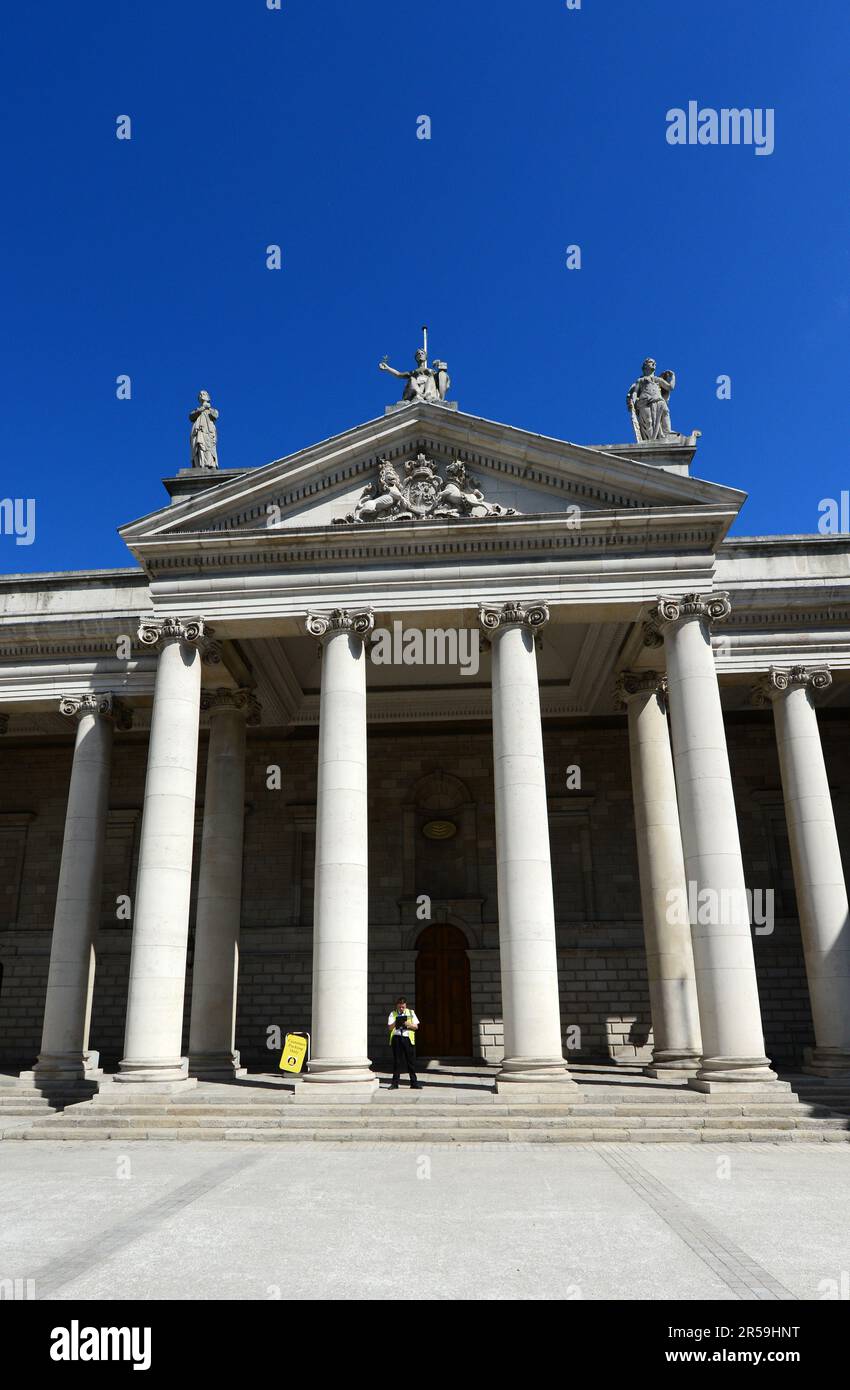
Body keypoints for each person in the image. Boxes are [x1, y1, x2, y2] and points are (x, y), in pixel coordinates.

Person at [387, 996, 423, 1089]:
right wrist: (397, 1021)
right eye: (400, 1007)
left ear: (405, 1005)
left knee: (410, 1062)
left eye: (403, 1007)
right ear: (397, 1006)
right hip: (397, 1038)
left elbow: (416, 1027)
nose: (401, 1009)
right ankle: (395, 1084)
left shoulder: (411, 1012)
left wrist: (408, 1024)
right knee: (397, 1062)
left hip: (407, 1039)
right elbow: (390, 1028)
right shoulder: (393, 1014)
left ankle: (414, 1083)